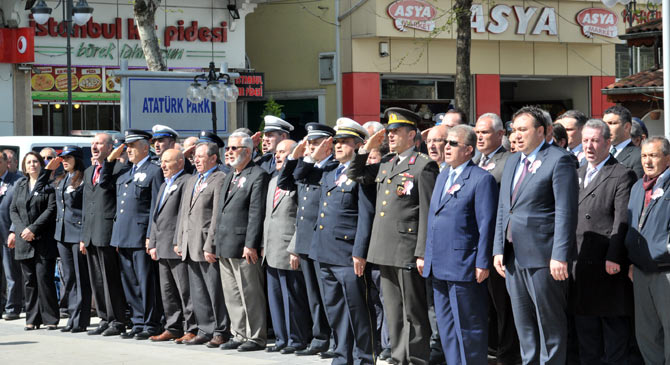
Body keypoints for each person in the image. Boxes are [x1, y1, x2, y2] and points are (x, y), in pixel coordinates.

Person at [347, 107, 439, 365]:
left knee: (414, 312)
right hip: (384, 248)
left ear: (412, 135)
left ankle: (417, 359)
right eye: (389, 132)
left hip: (408, 249)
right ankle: (399, 358)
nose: (391, 136)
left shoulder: (423, 166)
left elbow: (427, 213)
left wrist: (422, 252)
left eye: (396, 131)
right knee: (394, 312)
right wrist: (366, 148)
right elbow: (355, 174)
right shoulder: (387, 163)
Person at [492, 105, 579, 365]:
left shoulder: (558, 159)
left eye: (523, 130)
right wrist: (498, 248)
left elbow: (565, 211)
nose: (516, 135)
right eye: (514, 130)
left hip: (545, 257)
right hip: (513, 256)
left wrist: (560, 255)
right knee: (524, 326)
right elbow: (503, 209)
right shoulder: (511, 162)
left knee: (549, 326)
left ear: (541, 131)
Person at [423, 124, 497, 364]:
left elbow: (486, 224)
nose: (446, 147)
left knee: (468, 328)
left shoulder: (480, 179)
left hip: (464, 265)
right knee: (447, 328)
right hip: (438, 264)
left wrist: (483, 261)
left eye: (453, 143)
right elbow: (434, 217)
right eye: (446, 142)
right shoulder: (443, 174)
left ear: (469, 150)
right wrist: (427, 254)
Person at [310, 118, 375, 364]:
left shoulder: (363, 174)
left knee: (358, 311)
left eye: (344, 142)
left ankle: (364, 359)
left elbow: (366, 215)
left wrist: (360, 252)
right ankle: (342, 356)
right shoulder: (329, 173)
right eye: (336, 142)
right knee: (336, 311)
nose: (337, 146)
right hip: (325, 253)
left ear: (358, 146)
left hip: (348, 255)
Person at [571, 119, 636, 364]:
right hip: (579, 261)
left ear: (608, 143)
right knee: (586, 333)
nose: (589, 146)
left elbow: (621, 220)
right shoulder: (576, 172)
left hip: (605, 264)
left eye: (595, 140)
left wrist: (613, 256)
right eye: (585, 140)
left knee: (613, 333)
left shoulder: (621, 174)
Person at [280, 123, 338, 358]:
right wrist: (295, 156)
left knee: (328, 295)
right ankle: (319, 336)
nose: (310, 149)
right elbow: (286, 182)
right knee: (313, 295)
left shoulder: (331, 168)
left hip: (323, 239)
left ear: (328, 146)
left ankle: (336, 338)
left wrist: (307, 161)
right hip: (305, 239)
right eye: (309, 144)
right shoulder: (307, 167)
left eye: (315, 145)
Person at [214, 132, 269, 352]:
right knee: (232, 294)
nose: (228, 152)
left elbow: (256, 213)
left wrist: (251, 243)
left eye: (233, 149)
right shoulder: (230, 175)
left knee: (250, 293)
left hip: (244, 245)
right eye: (227, 149)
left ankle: (255, 336)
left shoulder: (257, 175)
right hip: (225, 243)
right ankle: (239, 333)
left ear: (247, 151)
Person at [174, 141, 230, 347]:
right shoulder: (192, 180)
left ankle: (221, 330)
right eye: (194, 157)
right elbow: (183, 212)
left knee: (214, 290)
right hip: (189, 243)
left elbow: (216, 214)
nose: (195, 160)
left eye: (200, 156)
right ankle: (205, 328)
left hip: (205, 244)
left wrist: (211, 244)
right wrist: (179, 240)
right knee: (197, 291)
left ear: (214, 158)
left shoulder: (219, 179)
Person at [474, 113, 519, 365]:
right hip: (475, 245)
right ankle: (490, 347)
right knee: (484, 305)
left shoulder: (509, 160)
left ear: (501, 134)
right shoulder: (473, 160)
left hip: (497, 244)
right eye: (478, 132)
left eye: (486, 132)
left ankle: (507, 353)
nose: (480, 137)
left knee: (503, 305)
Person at [110, 129, 163, 340]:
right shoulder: (125, 173)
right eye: (127, 146)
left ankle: (151, 322)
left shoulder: (154, 170)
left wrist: (151, 236)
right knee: (130, 282)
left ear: (144, 146)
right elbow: (107, 179)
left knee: (145, 282)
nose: (128, 150)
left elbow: (155, 208)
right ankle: (138, 321)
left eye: (132, 146)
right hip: (124, 236)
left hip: (141, 236)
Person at [624, 136, 670, 364]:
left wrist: (665, 250)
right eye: (644, 156)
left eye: (653, 155)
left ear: (668, 158)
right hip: (641, 271)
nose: (647, 161)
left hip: (666, 272)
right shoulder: (637, 187)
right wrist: (633, 260)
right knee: (646, 334)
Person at [262, 139, 311, 354]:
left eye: (283, 152)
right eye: (277, 152)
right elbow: (268, 216)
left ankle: (297, 339)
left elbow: (302, 218)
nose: (278, 155)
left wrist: (295, 247)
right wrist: (263, 244)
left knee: (292, 296)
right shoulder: (274, 180)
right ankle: (281, 338)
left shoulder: (299, 180)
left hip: (289, 247)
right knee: (275, 297)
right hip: (271, 246)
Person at [80, 133, 129, 337]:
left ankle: (117, 319)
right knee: (97, 279)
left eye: (99, 143)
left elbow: (115, 198)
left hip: (107, 231)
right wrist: (83, 235)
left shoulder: (119, 169)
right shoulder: (89, 171)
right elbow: (86, 204)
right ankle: (103, 318)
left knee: (110, 278)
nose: (94, 146)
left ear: (110, 148)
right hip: (91, 232)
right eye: (92, 143)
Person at [147, 149, 196, 342]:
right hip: (162, 246)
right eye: (162, 161)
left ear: (180, 163)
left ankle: (191, 327)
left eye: (167, 161)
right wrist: (152, 240)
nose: (163, 165)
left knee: (184, 290)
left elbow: (184, 216)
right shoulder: (164, 185)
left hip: (176, 246)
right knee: (167, 291)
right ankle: (172, 327)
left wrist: (179, 241)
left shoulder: (185, 182)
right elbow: (156, 216)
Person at [9, 152, 58, 330]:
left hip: (43, 239)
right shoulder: (20, 185)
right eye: (29, 162)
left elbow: (51, 209)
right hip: (24, 241)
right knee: (29, 282)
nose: (32, 165)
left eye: (35, 161)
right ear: (24, 166)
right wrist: (23, 230)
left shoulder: (49, 185)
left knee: (44, 279)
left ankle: (51, 318)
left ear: (41, 163)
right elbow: (13, 210)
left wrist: (33, 229)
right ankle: (32, 319)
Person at [50, 146, 91, 333]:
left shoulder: (83, 178)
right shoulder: (61, 179)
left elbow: (86, 208)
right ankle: (73, 317)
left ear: (77, 158)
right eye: (62, 158)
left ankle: (81, 319)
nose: (64, 161)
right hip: (63, 234)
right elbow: (43, 186)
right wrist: (48, 169)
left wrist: (84, 236)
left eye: (68, 158)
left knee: (80, 278)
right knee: (69, 278)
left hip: (78, 233)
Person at [0, 151, 24, 321]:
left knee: (11, 273)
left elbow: (19, 207)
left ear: (5, 162)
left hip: (7, 233)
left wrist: (14, 230)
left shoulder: (16, 181)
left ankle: (13, 307)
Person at [604, 105, 644, 178]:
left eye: (611, 123)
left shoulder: (638, 156)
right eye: (604, 124)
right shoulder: (600, 152)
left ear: (626, 127)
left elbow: (636, 186)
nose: (606, 128)